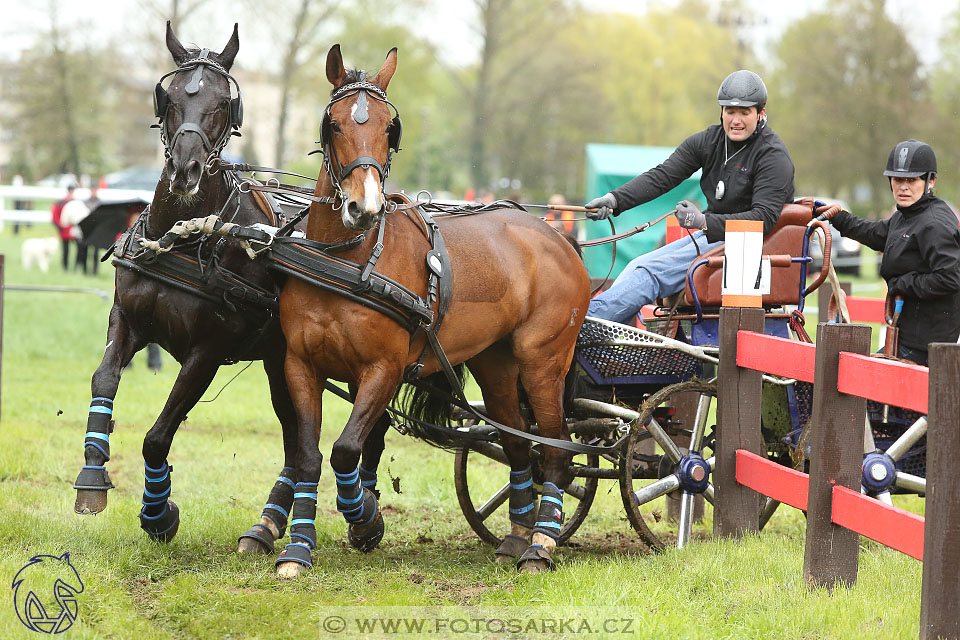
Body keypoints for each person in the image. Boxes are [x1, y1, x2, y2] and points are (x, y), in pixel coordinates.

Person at [584, 70, 795, 324]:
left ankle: (582, 324)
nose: (736, 120)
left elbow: (764, 219)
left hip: (749, 250)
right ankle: (603, 345)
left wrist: (703, 222)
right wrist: (615, 200)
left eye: (744, 112)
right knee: (636, 266)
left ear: (760, 113)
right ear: (721, 112)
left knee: (650, 274)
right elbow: (662, 176)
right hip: (713, 239)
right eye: (730, 111)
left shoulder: (773, 155)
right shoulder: (709, 141)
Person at [819, 140, 960, 366]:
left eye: (912, 180)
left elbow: (949, 278)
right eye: (897, 179)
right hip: (905, 335)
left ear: (930, 181)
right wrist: (839, 217)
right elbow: (877, 234)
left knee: (867, 385)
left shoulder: (935, 224)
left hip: (927, 348)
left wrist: (902, 284)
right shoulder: (906, 214)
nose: (903, 187)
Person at [51, 184, 76, 271]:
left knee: (78, 249)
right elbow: (55, 216)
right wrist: (60, 226)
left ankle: (75, 267)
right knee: (66, 250)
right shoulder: (61, 203)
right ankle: (65, 267)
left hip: (74, 230)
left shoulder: (75, 202)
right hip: (65, 230)